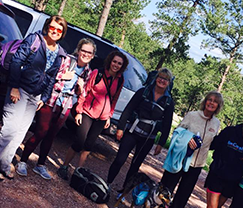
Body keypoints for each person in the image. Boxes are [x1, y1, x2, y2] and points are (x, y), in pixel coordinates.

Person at [0, 15, 67, 181]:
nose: (55, 32)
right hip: (20, 89)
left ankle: (5, 164)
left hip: (35, 96)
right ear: (47, 27)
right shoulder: (35, 40)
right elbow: (16, 61)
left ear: (63, 32)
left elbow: (51, 77)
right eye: (52, 27)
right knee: (10, 129)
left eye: (59, 30)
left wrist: (45, 96)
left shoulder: (59, 53)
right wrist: (14, 86)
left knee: (20, 132)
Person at [16, 38, 95, 179]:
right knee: (41, 131)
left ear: (93, 55)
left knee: (51, 135)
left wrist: (80, 88)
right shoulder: (67, 60)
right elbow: (50, 73)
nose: (85, 54)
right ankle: (22, 161)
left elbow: (79, 93)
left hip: (66, 104)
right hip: (51, 99)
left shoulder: (87, 71)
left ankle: (40, 165)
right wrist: (64, 76)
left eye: (89, 52)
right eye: (83, 50)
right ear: (78, 50)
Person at [152, 91, 223, 208]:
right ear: (205, 101)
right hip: (180, 158)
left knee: (184, 192)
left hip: (197, 164)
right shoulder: (192, 115)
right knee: (168, 186)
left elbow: (213, 143)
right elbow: (178, 132)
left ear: (218, 105)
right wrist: (188, 139)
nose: (211, 103)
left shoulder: (216, 123)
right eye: (209, 99)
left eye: (215, 101)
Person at [57, 51, 129, 180]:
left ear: (122, 66)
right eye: (114, 62)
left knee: (89, 145)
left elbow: (114, 99)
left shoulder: (120, 80)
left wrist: (109, 116)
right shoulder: (98, 73)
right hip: (87, 112)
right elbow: (85, 92)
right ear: (110, 61)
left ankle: (78, 173)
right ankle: (64, 166)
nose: (116, 65)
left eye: (119, 63)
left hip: (102, 117)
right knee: (79, 142)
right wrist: (78, 111)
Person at [106, 68, 174, 191]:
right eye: (160, 77)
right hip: (132, 131)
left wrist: (161, 143)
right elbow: (129, 109)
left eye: (165, 79)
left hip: (149, 137)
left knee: (135, 165)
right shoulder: (143, 92)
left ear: (169, 83)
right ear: (155, 78)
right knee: (120, 159)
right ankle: (108, 183)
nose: (162, 80)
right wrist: (120, 128)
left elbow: (167, 124)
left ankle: (123, 191)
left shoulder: (169, 102)